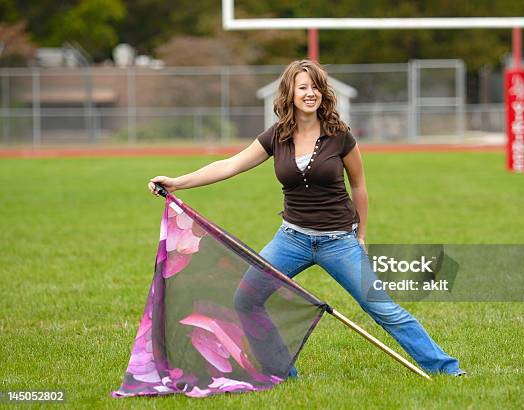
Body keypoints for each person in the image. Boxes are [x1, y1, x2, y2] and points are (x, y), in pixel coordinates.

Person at [148, 59, 464, 377]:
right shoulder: (277, 136)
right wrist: (178, 181)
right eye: (303, 87)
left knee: (381, 307)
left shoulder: (340, 135)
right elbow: (230, 165)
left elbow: (359, 186)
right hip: (291, 239)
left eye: (315, 87)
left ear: (322, 94)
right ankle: (283, 374)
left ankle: (445, 368)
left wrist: (362, 234)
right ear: (290, 94)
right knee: (246, 299)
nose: (310, 93)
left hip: (339, 241)